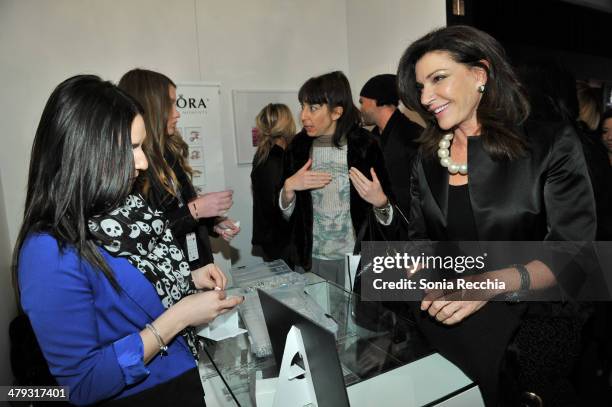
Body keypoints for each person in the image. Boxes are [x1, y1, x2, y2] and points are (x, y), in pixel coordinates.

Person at [386, 25, 596, 405]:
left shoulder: (550, 144)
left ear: (480, 74)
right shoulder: (428, 157)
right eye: (420, 86)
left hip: (530, 324)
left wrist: (489, 283)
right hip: (445, 317)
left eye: (438, 79)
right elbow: (420, 239)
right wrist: (412, 273)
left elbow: (574, 255)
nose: (426, 97)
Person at [13, 75, 243, 405]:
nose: (143, 162)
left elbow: (126, 293)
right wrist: (179, 317)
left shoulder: (124, 208)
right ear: (88, 152)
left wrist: (188, 279)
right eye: (132, 148)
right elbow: (82, 383)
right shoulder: (48, 250)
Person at [118, 69, 239, 276]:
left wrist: (213, 222)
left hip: (195, 268)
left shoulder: (168, 152)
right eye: (170, 104)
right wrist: (196, 210)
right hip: (166, 277)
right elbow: (144, 237)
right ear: (152, 107)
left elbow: (181, 206)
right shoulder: (131, 168)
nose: (177, 113)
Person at [279, 71, 392, 285]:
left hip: (359, 259)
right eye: (302, 106)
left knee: (356, 317)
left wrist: (381, 202)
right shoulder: (297, 147)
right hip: (310, 258)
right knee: (314, 316)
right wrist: (288, 189)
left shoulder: (365, 146)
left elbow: (391, 215)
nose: (303, 116)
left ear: (336, 112)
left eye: (312, 108)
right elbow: (286, 216)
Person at [359, 74, 422, 219]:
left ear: (376, 100)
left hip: (409, 231)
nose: (360, 107)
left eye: (362, 101)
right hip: (384, 227)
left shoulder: (413, 137)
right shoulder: (371, 138)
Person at [250, 103, 296, 262]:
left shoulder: (264, 156)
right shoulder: (274, 160)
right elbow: (275, 206)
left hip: (275, 240)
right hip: (282, 243)